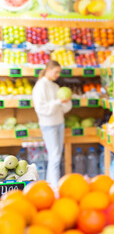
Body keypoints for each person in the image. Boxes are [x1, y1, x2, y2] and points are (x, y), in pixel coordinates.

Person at [32, 60, 72, 188]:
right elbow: (41, 108)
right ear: (48, 70)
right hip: (48, 125)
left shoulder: (55, 87)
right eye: (56, 72)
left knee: (57, 156)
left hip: (59, 122)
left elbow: (63, 108)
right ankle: (54, 187)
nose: (58, 75)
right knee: (54, 157)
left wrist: (66, 102)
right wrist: (58, 102)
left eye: (59, 73)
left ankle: (52, 185)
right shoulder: (40, 86)